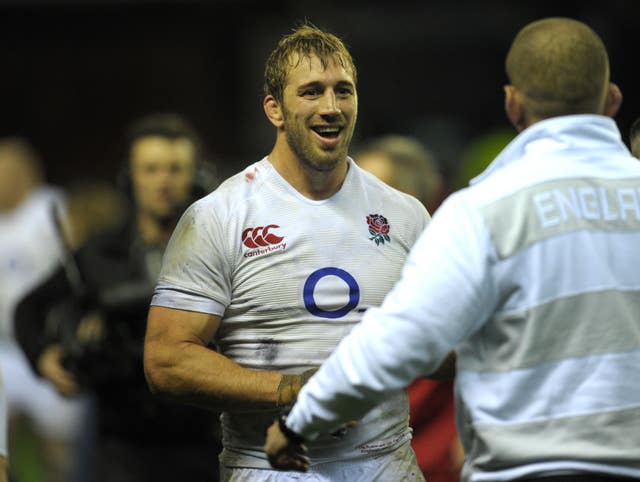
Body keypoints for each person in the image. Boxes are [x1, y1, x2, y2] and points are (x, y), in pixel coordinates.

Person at [265, 17, 640, 482]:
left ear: (513, 104)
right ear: (612, 100)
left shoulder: (483, 212)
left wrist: (302, 419)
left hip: (525, 471)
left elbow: (400, 340)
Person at [144, 24, 432, 481]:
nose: (332, 108)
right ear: (274, 109)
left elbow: (446, 343)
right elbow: (166, 360)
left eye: (344, 91)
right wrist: (289, 389)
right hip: (266, 466)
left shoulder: (405, 215)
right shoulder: (218, 216)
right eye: (312, 92)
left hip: (386, 462)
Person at [14, 113, 221, 482]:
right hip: (120, 442)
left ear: (197, 177)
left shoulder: (221, 251)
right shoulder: (99, 253)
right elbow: (29, 308)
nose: (163, 181)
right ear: (131, 176)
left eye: (175, 169)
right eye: (151, 168)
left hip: (205, 439)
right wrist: (44, 357)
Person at [355, 135, 462, 482]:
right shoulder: (340, 278)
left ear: (409, 203)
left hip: (435, 464)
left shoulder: (454, 278)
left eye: (369, 191)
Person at [0, 137, 92, 482]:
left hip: (49, 346)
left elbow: (79, 268)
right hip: (5, 349)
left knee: (58, 452)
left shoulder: (50, 209)